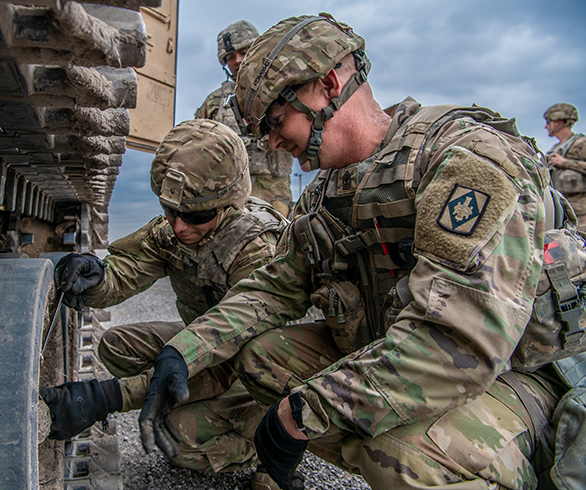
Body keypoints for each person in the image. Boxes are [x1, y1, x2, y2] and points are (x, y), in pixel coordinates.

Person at [139, 14, 576, 489]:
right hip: (403, 359)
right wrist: (183, 352)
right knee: (265, 356)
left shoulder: (463, 159)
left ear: (328, 84)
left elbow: (459, 344)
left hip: (513, 375)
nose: (271, 142)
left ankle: (487, 463)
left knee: (400, 454)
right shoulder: (330, 191)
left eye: (277, 120)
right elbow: (274, 287)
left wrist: (302, 413)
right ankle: (377, 446)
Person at [39, 119, 290, 490]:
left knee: (177, 439)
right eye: (171, 211)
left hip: (256, 372)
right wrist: (95, 275)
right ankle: (182, 400)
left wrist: (109, 396)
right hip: (203, 344)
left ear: (228, 205)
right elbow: (128, 269)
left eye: (196, 216)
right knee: (117, 346)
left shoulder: (257, 252)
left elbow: (230, 360)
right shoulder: (176, 228)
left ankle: (267, 445)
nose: (179, 227)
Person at [195, 20, 295, 217]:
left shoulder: (283, 92)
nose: (238, 60)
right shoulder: (216, 101)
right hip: (229, 196)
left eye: (244, 52)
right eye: (230, 57)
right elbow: (198, 147)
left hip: (273, 195)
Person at [544, 103, 586, 232]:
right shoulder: (554, 150)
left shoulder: (581, 143)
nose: (546, 126)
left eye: (549, 121)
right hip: (563, 213)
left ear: (559, 121)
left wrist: (565, 163)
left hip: (582, 215)